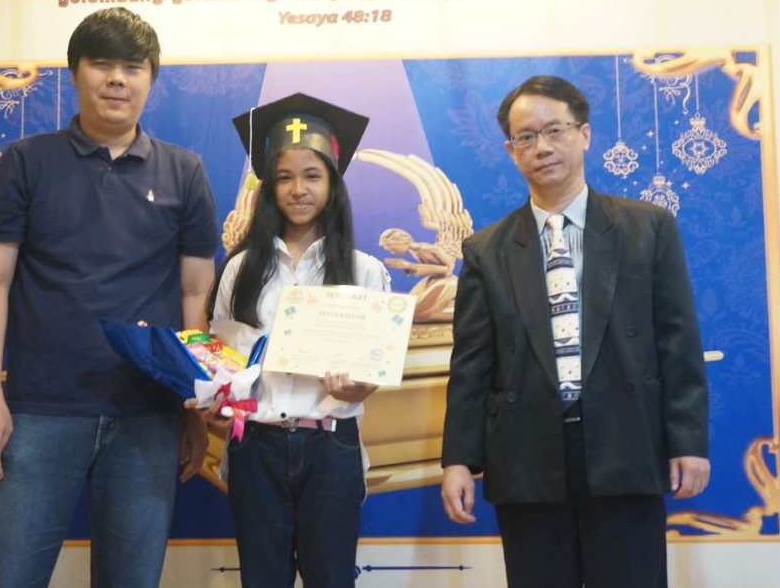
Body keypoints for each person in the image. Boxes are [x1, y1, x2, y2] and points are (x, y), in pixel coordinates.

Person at [0, 7, 219, 588]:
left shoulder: (184, 172)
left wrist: (195, 402)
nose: (117, 80)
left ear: (151, 79)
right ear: (75, 72)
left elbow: (196, 291)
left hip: (148, 414)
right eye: (102, 64)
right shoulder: (26, 162)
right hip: (39, 409)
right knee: (4, 576)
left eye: (133, 67)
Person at [440, 75, 710, 587]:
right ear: (511, 151)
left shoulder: (647, 228)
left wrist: (689, 442)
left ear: (584, 134)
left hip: (626, 446)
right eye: (526, 137)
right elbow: (471, 365)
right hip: (527, 458)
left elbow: (679, 344)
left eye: (554, 130)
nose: (542, 147)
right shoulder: (486, 250)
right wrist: (457, 460)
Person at [199, 92, 390, 588]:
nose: (298, 189)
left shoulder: (365, 271)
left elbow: (373, 367)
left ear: (333, 183)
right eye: (284, 177)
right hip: (256, 445)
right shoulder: (241, 269)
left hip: (331, 446)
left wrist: (359, 387)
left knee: (332, 579)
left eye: (312, 176)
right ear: (268, 186)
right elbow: (223, 357)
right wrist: (214, 399)